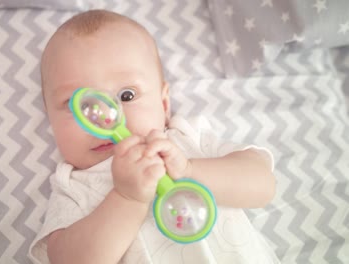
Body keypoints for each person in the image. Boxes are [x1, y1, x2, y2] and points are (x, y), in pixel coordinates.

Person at [30, 9, 279, 264]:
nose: (105, 116)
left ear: (164, 104)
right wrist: (126, 198)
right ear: (51, 119)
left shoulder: (185, 139)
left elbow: (264, 185)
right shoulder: (74, 185)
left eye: (127, 96)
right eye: (83, 105)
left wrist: (189, 170)